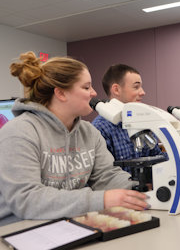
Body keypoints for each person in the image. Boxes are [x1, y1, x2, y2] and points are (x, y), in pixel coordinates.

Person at [0, 52, 148, 226]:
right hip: (17, 230)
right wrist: (103, 199)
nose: (94, 93)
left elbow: (106, 176)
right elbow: (28, 200)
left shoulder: (89, 132)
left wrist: (140, 189)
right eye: (86, 87)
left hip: (66, 224)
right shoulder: (19, 132)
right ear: (61, 93)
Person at [92, 64, 164, 187]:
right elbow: (105, 176)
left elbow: (157, 158)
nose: (143, 92)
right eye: (136, 87)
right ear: (116, 90)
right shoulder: (100, 129)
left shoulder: (142, 123)